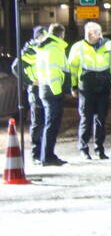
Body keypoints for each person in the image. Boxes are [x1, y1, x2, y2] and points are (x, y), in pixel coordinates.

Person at [67, 22, 111, 160]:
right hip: (86, 87)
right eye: (87, 33)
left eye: (92, 33)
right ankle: (84, 148)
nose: (88, 36)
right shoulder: (78, 47)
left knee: (101, 118)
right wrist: (73, 87)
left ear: (99, 33)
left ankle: (99, 148)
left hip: (103, 86)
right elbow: (72, 70)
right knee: (86, 118)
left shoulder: (110, 46)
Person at [35, 24, 69, 166]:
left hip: (45, 89)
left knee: (49, 124)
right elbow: (53, 72)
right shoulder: (54, 48)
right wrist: (58, 91)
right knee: (51, 125)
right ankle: (47, 157)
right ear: (61, 34)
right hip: (52, 91)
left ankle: (47, 155)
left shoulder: (46, 47)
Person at [11, 26, 47, 163]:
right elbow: (15, 67)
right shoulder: (29, 50)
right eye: (43, 36)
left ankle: (44, 153)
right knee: (38, 121)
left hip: (46, 88)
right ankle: (36, 154)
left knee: (45, 121)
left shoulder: (45, 49)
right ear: (37, 37)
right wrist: (30, 81)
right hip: (36, 90)